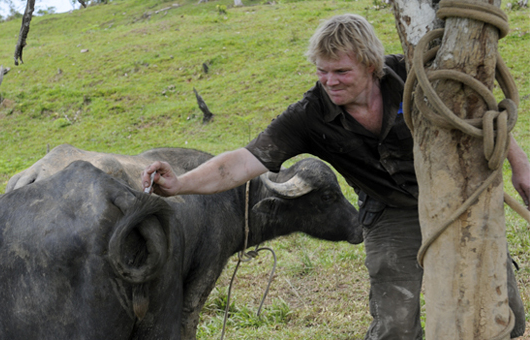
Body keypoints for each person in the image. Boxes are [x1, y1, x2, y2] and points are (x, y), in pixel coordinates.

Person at [141, 14, 530, 339]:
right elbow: (242, 162)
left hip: (457, 195)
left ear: (371, 66)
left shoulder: (414, 77)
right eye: (322, 72)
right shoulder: (309, 115)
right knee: (394, 323)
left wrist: (521, 166)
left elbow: (482, 114)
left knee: (502, 313)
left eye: (341, 71)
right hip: (390, 210)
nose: (330, 82)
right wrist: (180, 184)